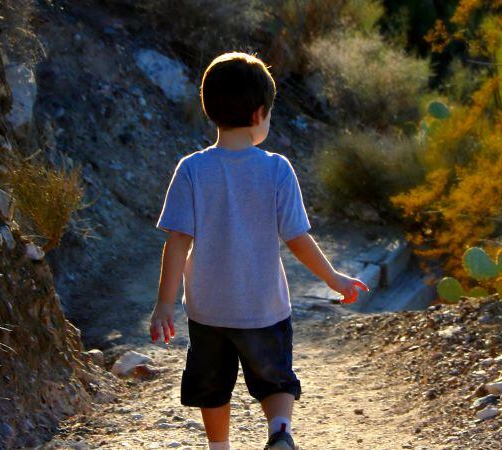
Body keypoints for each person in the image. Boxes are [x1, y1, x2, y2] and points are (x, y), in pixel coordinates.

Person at [150, 51, 367, 450]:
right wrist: (334, 277)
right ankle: (280, 431)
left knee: (212, 387)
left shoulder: (192, 169)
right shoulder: (277, 169)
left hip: (208, 310)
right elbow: (297, 237)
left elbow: (177, 241)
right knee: (276, 379)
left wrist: (165, 303)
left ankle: (220, 447)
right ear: (259, 113)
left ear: (209, 108)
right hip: (265, 308)